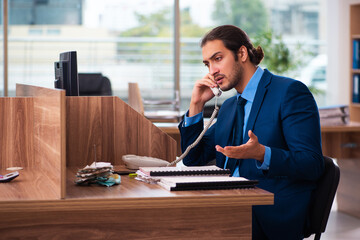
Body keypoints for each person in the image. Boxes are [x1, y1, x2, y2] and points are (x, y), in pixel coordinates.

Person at [179, 25, 324, 240]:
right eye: (207, 64)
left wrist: (262, 154)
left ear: (242, 53)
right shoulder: (229, 107)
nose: (212, 71)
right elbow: (193, 157)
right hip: (227, 206)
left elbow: (312, 164)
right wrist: (196, 103)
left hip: (268, 213)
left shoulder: (290, 92)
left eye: (217, 59)